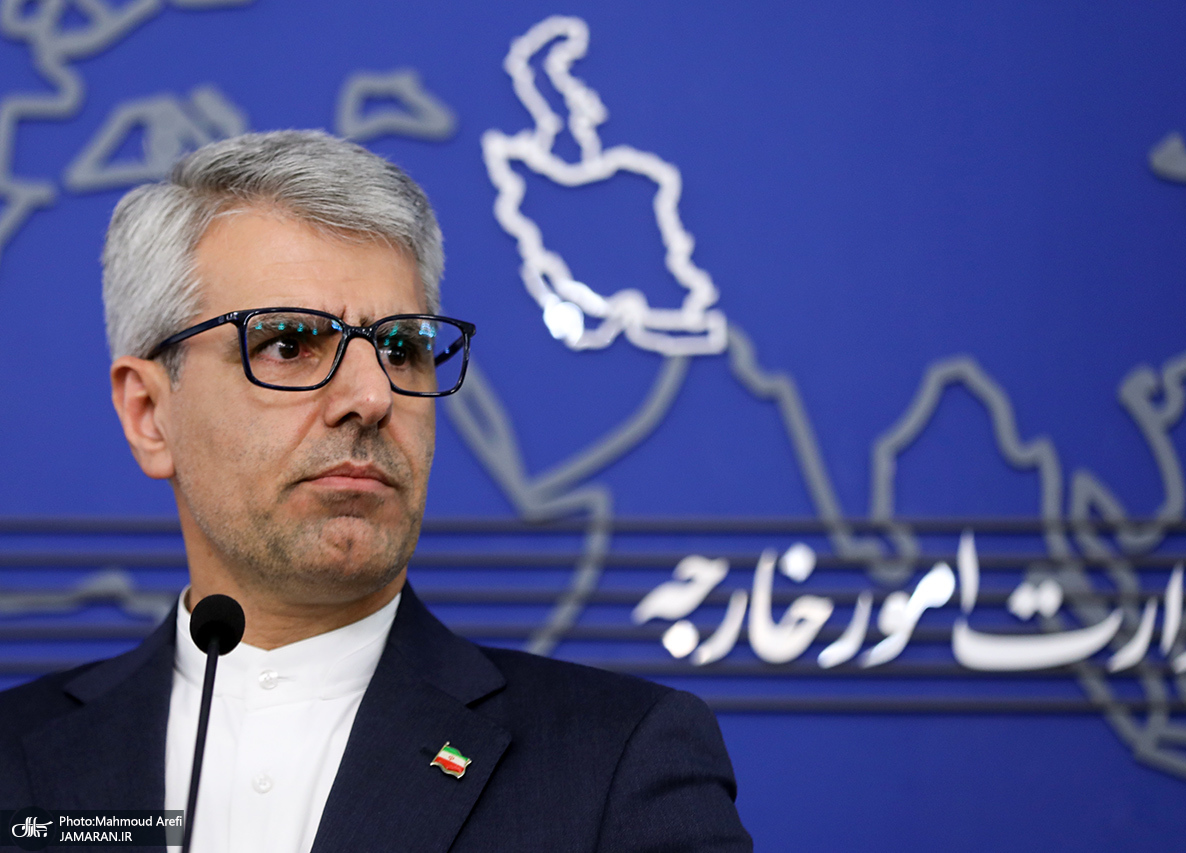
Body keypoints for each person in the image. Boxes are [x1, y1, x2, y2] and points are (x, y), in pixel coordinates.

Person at [0, 130, 751, 852]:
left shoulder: (615, 764)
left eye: (402, 347)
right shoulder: (16, 760)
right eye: (289, 343)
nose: (372, 395)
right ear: (148, 414)